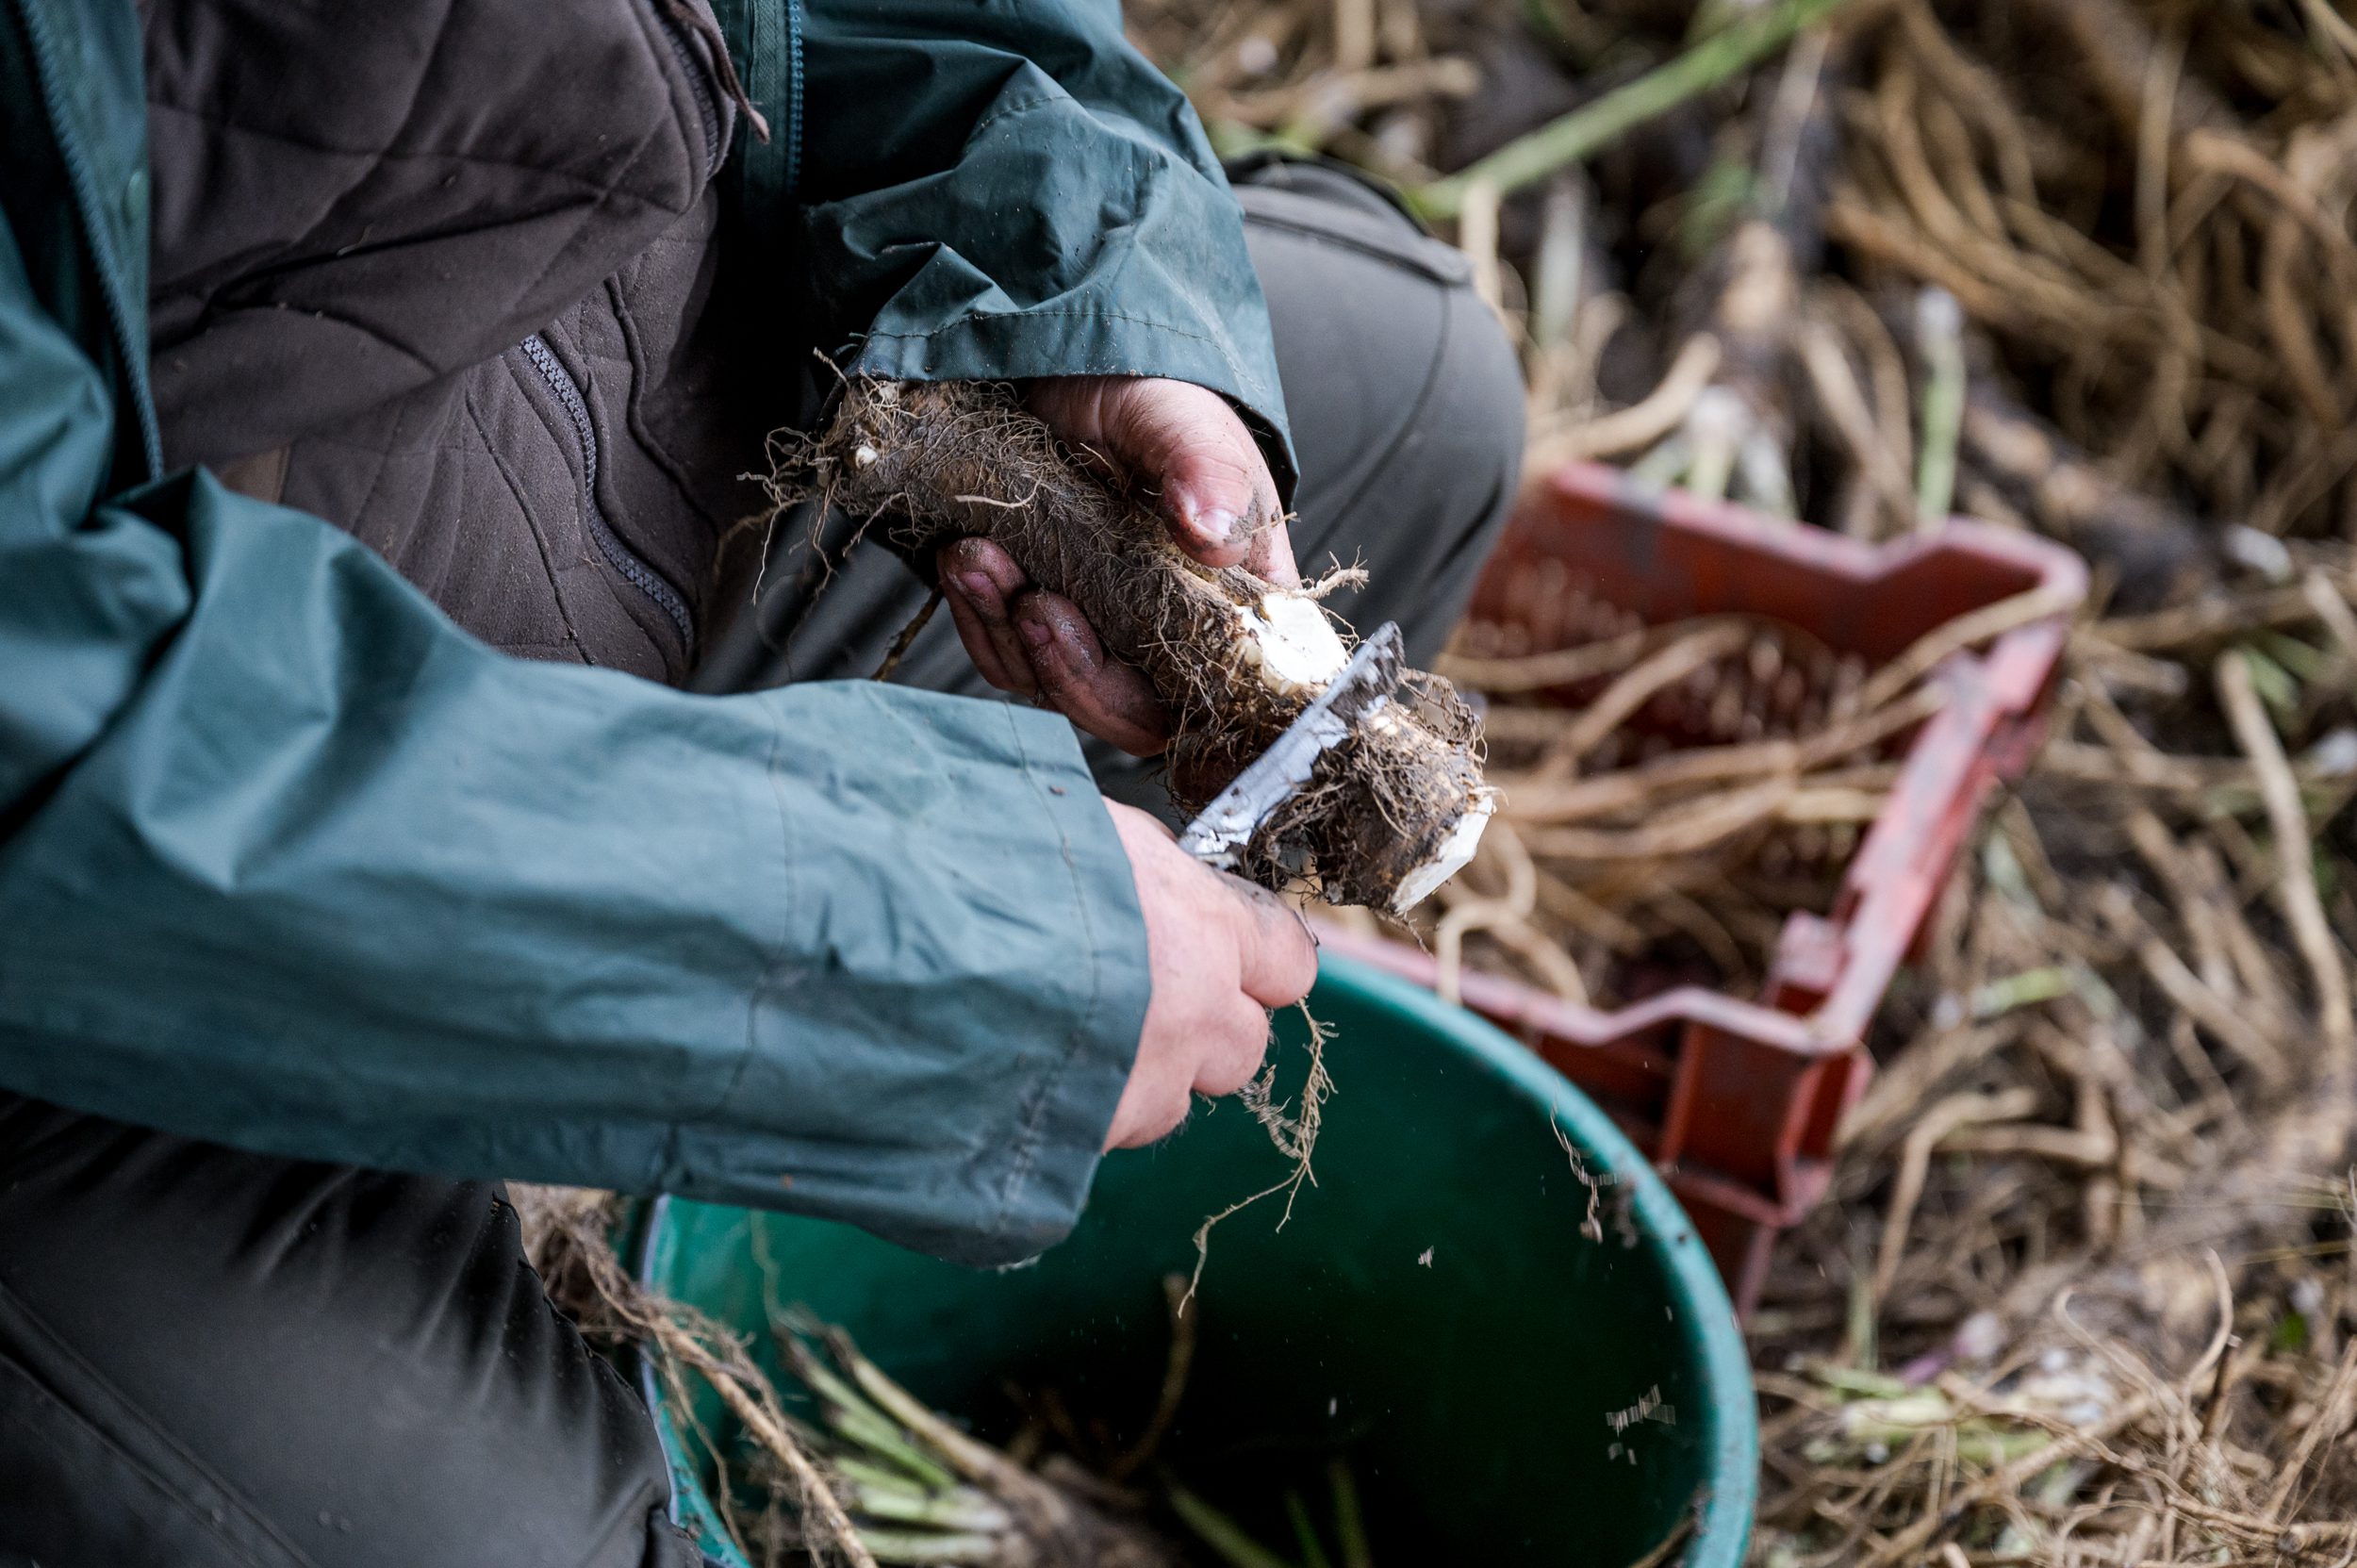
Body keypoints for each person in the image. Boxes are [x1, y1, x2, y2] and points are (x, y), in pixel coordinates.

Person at [0, 0, 1522, 1561]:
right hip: (110, 943)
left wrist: (1078, 297)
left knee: (1416, 407)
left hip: (628, 466)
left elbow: (910, 27)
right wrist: (893, 930)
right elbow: (48, 729)